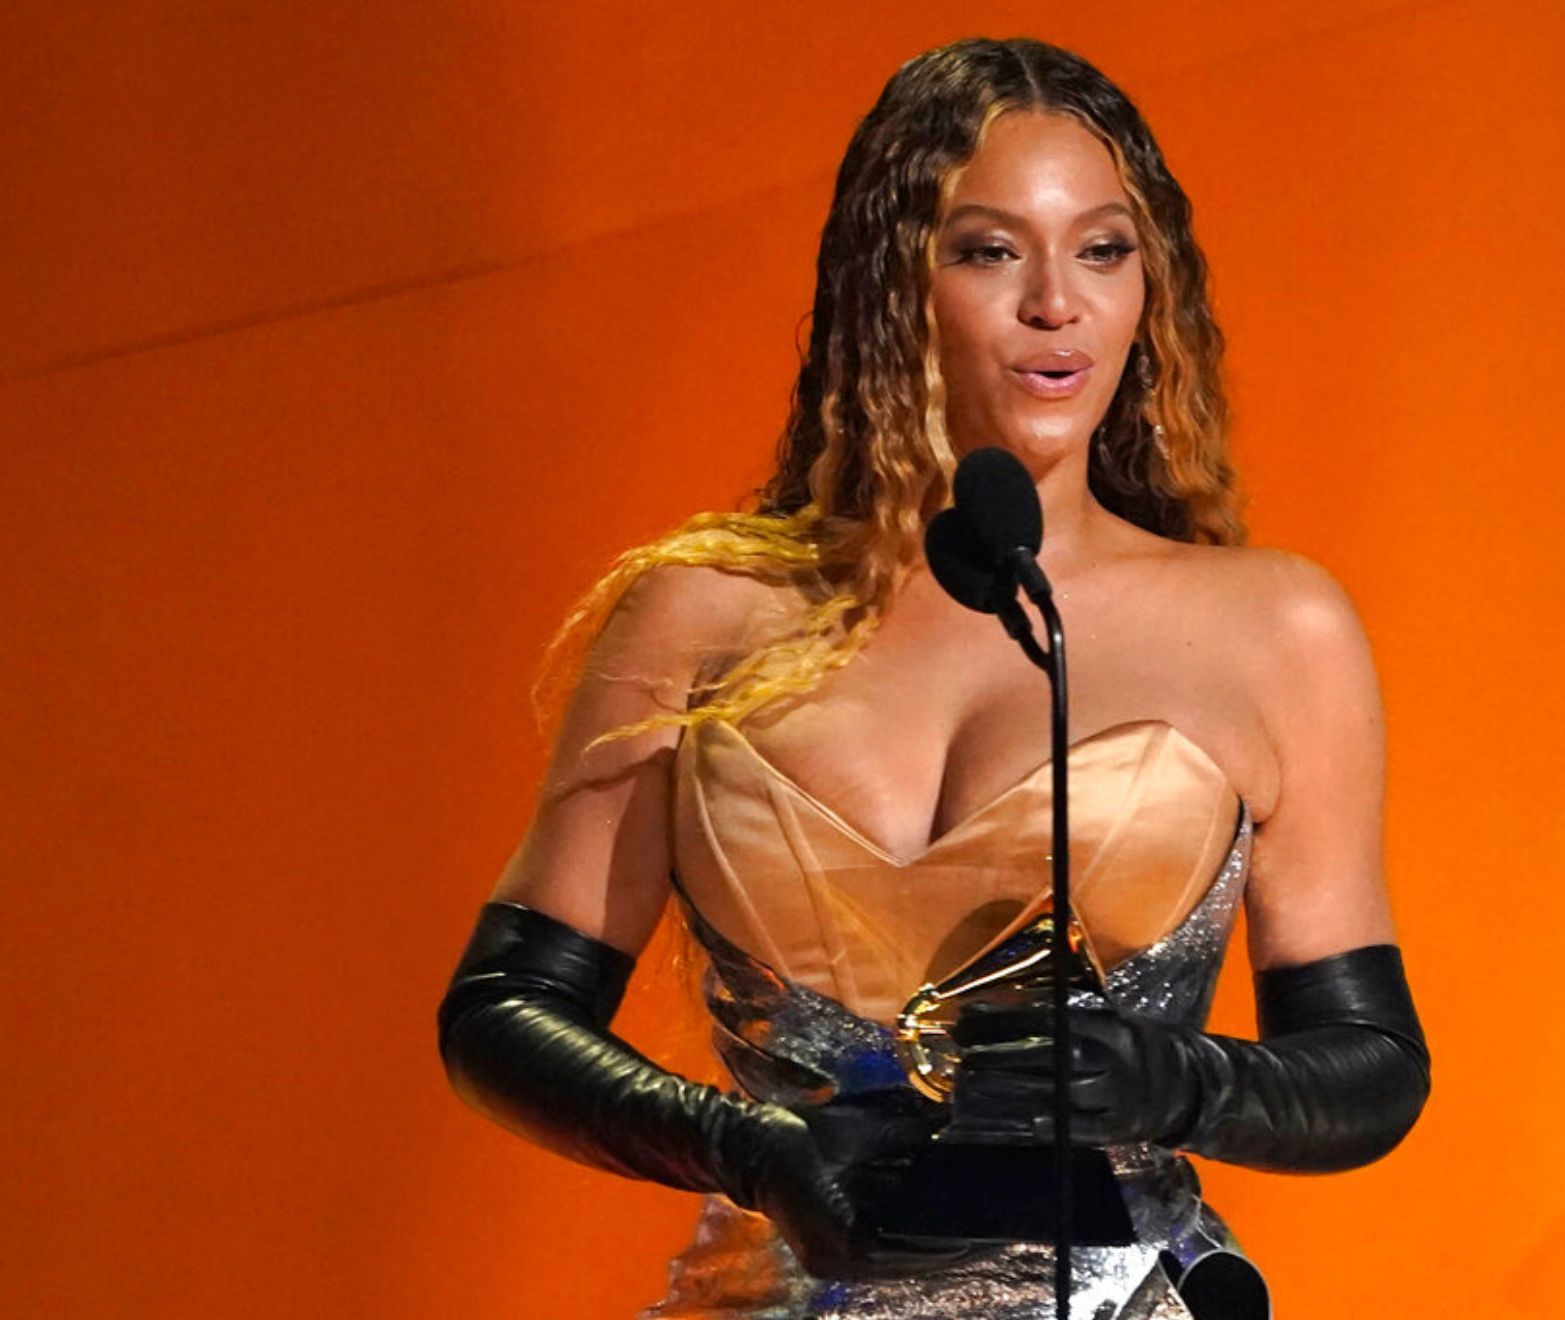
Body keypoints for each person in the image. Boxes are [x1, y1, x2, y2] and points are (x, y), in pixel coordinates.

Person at [437, 36, 1430, 1320]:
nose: (1056, 304)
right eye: (989, 250)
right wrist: (742, 1147)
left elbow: (1372, 1067)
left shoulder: (1274, 627)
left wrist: (1177, 1081)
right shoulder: (701, 616)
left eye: (1104, 250)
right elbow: (506, 1010)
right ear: (889, 283)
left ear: (1151, 286)